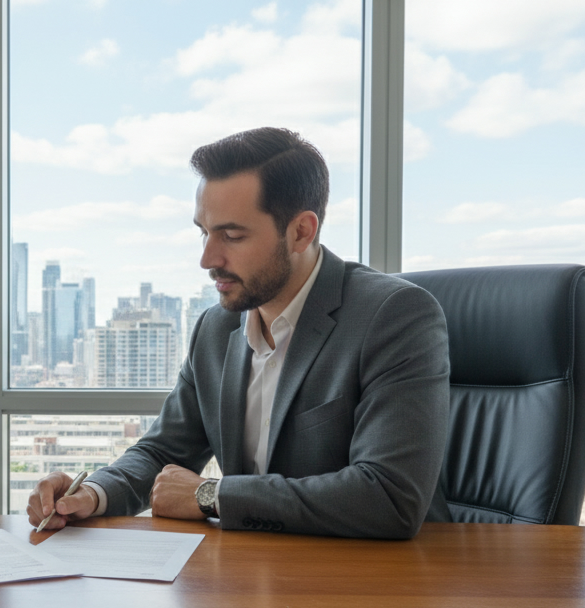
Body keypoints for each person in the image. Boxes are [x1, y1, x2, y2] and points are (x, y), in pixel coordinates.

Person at [27, 128, 451, 539]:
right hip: (254, 578)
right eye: (203, 232)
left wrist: (210, 495)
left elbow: (388, 497)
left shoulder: (394, 316)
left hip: (375, 586)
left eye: (231, 235)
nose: (207, 258)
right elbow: (163, 452)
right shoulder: (216, 328)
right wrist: (93, 494)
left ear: (301, 231)